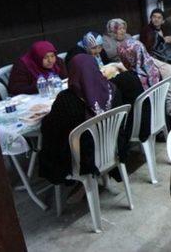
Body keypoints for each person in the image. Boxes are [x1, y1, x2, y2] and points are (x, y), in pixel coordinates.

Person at [39, 54, 123, 185]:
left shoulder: (66, 99)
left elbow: (51, 129)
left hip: (84, 157)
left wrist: (45, 118)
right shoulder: (112, 89)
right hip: (112, 147)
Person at [114, 40, 162, 142]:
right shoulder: (154, 70)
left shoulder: (126, 79)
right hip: (157, 118)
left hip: (141, 127)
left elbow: (108, 84)